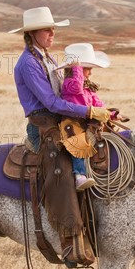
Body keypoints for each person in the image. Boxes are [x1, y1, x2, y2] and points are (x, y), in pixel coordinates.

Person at [9, 8, 110, 267]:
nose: (52, 33)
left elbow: (66, 96)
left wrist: (92, 110)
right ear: (32, 34)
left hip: (61, 120)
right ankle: (70, 243)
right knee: (64, 168)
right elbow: (52, 103)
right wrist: (87, 110)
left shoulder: (49, 58)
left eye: (53, 29)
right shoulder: (28, 63)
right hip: (43, 126)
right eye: (46, 29)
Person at [57, 43, 126, 191]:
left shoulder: (88, 88)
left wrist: (112, 115)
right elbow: (77, 86)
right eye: (88, 69)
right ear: (78, 71)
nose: (91, 73)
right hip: (73, 122)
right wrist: (77, 68)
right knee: (78, 142)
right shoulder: (69, 84)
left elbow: (98, 105)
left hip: (87, 121)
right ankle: (79, 176)